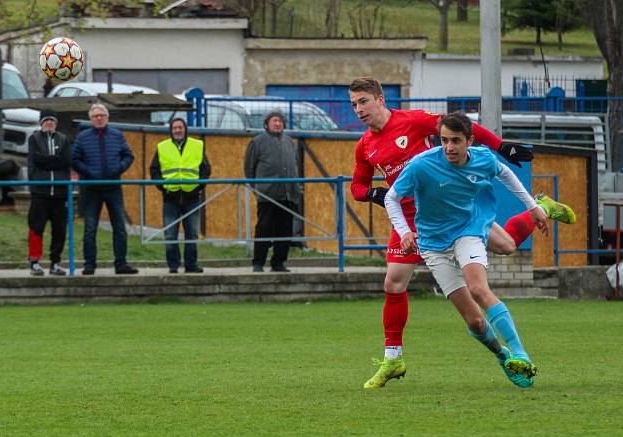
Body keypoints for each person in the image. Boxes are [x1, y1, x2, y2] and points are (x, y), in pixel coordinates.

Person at [348, 76, 576, 389]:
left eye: (363, 102)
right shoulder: (365, 145)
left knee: (507, 247)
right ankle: (393, 357)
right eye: (354, 105)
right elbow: (358, 187)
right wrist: (374, 194)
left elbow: (460, 128)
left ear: (381, 99)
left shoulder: (414, 121)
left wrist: (499, 145)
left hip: (455, 206)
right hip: (414, 221)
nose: (359, 110)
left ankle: (541, 207)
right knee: (394, 282)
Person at [384, 112, 543, 388]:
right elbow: (392, 197)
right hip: (433, 245)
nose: (449, 148)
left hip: (468, 231)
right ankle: (503, 356)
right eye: (444, 141)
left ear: (470, 140)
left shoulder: (483, 158)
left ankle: (521, 354)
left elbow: (505, 173)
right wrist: (404, 231)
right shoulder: (421, 165)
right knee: (475, 322)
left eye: (456, 141)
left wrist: (533, 206)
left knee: (479, 289)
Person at [71, 103, 138, 275]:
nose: (99, 118)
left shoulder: (117, 135)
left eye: (102, 115)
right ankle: (89, 265)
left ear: (107, 118)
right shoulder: (82, 137)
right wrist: (89, 173)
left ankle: (121, 264)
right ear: (91, 119)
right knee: (90, 229)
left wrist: (118, 168)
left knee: (120, 228)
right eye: (95, 116)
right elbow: (74, 159)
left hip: (113, 187)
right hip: (90, 189)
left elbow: (129, 155)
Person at [150, 117, 212, 274]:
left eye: (180, 127)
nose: (178, 130)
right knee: (170, 235)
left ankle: (191, 265)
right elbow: (154, 169)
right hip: (170, 197)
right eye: (175, 128)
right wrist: (162, 186)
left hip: (191, 196)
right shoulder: (162, 146)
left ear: (185, 129)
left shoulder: (197, 145)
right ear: (171, 130)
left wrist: (200, 185)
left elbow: (205, 168)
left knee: (191, 234)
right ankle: (173, 266)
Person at [244, 110, 302, 273]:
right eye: (274, 121)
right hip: (267, 195)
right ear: (267, 124)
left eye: (280, 121)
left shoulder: (290, 142)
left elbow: (295, 165)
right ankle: (258, 263)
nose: (277, 124)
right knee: (264, 228)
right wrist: (257, 188)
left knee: (285, 229)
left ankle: (278, 262)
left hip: (288, 193)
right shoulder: (257, 142)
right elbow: (249, 168)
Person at [26, 109, 72, 276]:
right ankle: (35, 262)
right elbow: (35, 159)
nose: (49, 123)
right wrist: (53, 161)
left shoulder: (64, 139)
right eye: (46, 120)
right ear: (41, 123)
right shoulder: (34, 139)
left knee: (59, 229)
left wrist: (46, 160)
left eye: (52, 120)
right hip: (40, 191)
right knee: (36, 227)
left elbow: (66, 160)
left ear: (56, 123)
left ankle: (55, 263)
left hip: (59, 193)